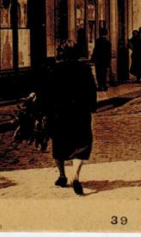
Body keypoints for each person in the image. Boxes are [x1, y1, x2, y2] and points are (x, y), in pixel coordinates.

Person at [47, 41, 97, 195]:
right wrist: (91, 107)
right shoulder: (84, 68)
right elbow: (91, 89)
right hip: (80, 112)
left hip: (60, 113)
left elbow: (48, 92)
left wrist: (47, 111)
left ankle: (62, 176)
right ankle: (75, 177)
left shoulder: (55, 69)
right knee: (82, 144)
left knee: (59, 144)